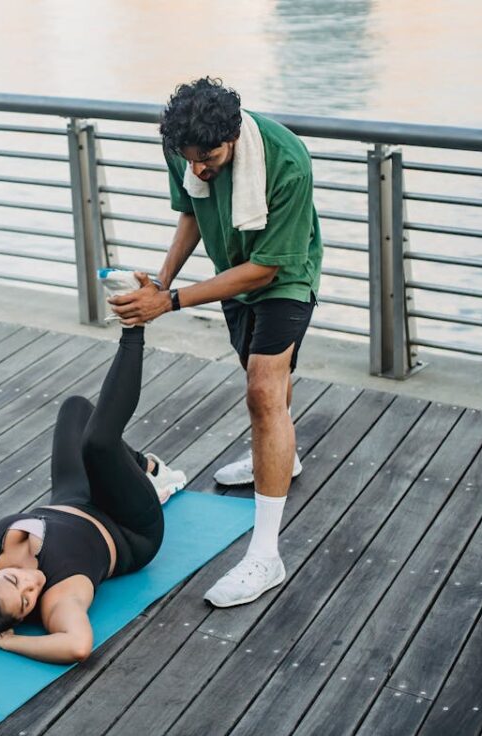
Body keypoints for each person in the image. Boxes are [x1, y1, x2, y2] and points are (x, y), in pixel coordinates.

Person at [108, 77, 322, 608]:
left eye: (210, 156)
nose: (199, 169)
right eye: (190, 159)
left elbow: (268, 266)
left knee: (263, 390)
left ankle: (265, 554)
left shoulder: (287, 161)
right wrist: (161, 281)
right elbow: (191, 212)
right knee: (262, 382)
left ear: (234, 134)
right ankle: (279, 459)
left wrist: (173, 301)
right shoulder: (182, 145)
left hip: (283, 276)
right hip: (230, 270)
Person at [0, 325, 187, 664]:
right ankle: (134, 327)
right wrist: (7, 643)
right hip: (128, 526)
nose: (31, 583)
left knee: (76, 408)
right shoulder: (59, 596)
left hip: (71, 499)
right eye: (26, 602)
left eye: (13, 579)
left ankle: (146, 468)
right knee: (98, 443)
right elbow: (77, 646)